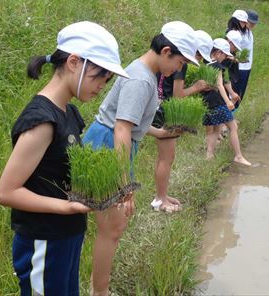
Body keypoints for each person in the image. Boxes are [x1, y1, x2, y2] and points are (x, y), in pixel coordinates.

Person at [0, 21, 129, 296]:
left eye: (107, 81)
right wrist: (66, 207)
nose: (102, 86)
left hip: (67, 235)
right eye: (100, 76)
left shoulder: (68, 113)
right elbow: (6, 192)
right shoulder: (43, 120)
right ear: (73, 62)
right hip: (43, 239)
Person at [82, 21, 199, 295]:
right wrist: (126, 185)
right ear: (166, 51)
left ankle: (99, 287)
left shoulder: (146, 73)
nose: (179, 69)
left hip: (114, 142)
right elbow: (122, 127)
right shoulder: (141, 79)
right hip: (108, 144)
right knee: (112, 226)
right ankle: (100, 292)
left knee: (114, 225)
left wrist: (160, 133)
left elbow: (133, 123)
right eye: (180, 62)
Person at [150, 29, 213, 212]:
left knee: (164, 157)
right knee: (167, 158)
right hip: (167, 111)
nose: (199, 61)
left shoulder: (171, 61)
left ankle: (161, 194)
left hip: (160, 108)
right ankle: (160, 199)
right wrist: (197, 87)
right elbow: (178, 95)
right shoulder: (180, 65)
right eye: (199, 56)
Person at [201, 38, 251, 166]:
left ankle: (209, 155)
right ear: (218, 53)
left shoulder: (204, 63)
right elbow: (219, 85)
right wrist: (228, 101)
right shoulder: (217, 66)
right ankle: (238, 156)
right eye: (224, 55)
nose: (224, 58)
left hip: (207, 102)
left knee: (216, 130)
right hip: (218, 102)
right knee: (233, 127)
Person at [235, 9, 259, 104]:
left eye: (254, 23)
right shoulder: (238, 33)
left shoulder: (250, 33)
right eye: (251, 22)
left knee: (241, 94)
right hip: (239, 68)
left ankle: (233, 115)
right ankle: (229, 116)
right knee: (235, 94)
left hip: (247, 68)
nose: (252, 25)